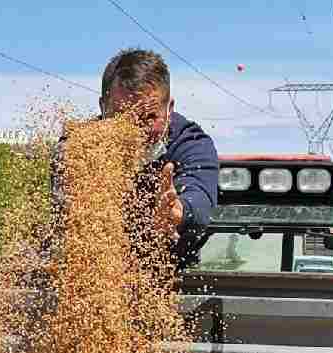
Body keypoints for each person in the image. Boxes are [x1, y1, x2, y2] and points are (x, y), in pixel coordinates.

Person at [51, 48, 219, 271]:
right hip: (97, 274)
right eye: (122, 118)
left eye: (149, 117)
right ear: (103, 107)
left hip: (170, 273)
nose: (136, 131)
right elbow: (65, 214)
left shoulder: (191, 143)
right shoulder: (79, 146)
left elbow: (200, 198)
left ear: (169, 109)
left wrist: (179, 210)